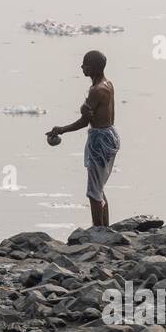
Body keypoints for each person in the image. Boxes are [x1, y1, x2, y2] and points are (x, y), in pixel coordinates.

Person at [46, 50, 119, 227]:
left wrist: (61, 129)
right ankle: (106, 228)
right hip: (111, 134)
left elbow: (84, 122)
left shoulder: (96, 90)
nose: (81, 67)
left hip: (99, 140)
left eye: (85, 64)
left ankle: (98, 231)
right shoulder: (108, 84)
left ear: (93, 67)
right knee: (99, 186)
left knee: (94, 192)